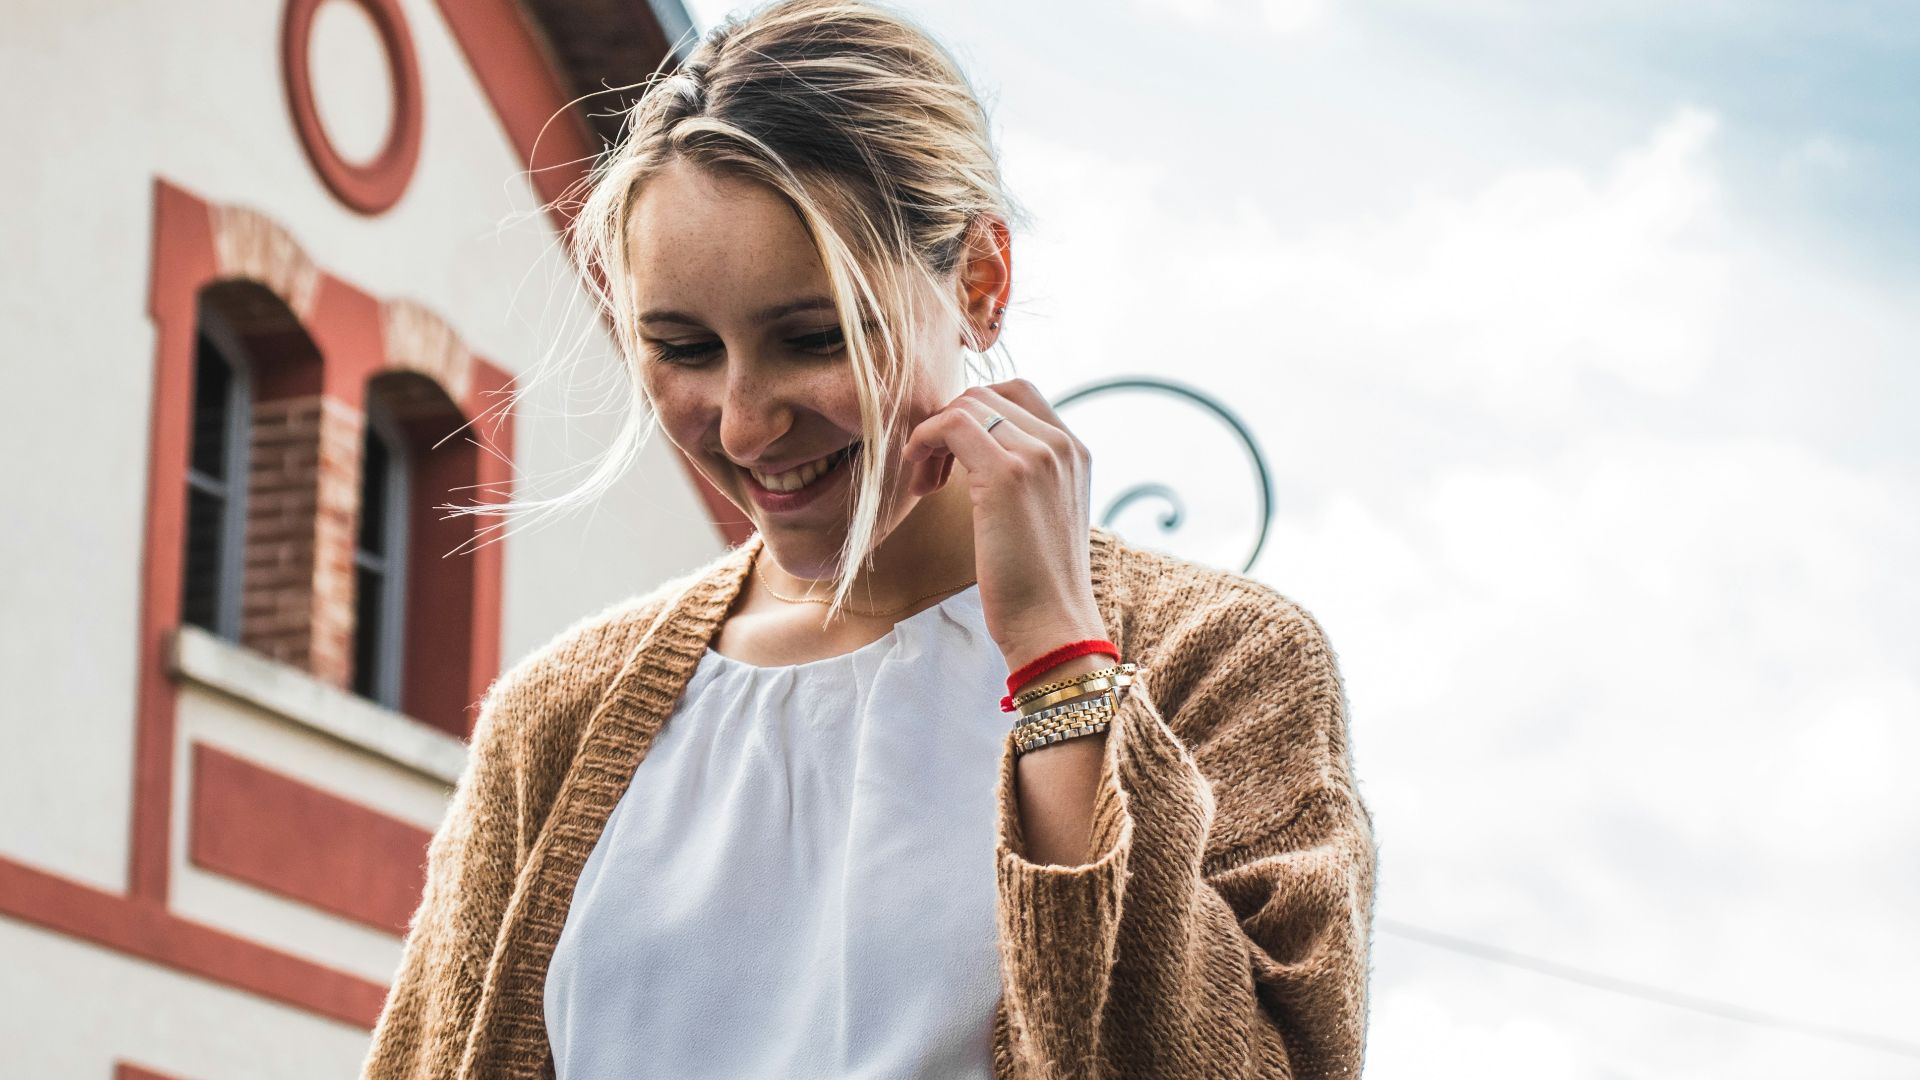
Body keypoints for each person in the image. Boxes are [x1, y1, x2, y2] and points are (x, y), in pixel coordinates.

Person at [359, 1, 1376, 1077]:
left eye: (813, 338)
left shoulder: (1221, 662)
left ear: (979, 282)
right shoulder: (559, 716)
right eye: (684, 347)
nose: (746, 422)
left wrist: (1060, 661)